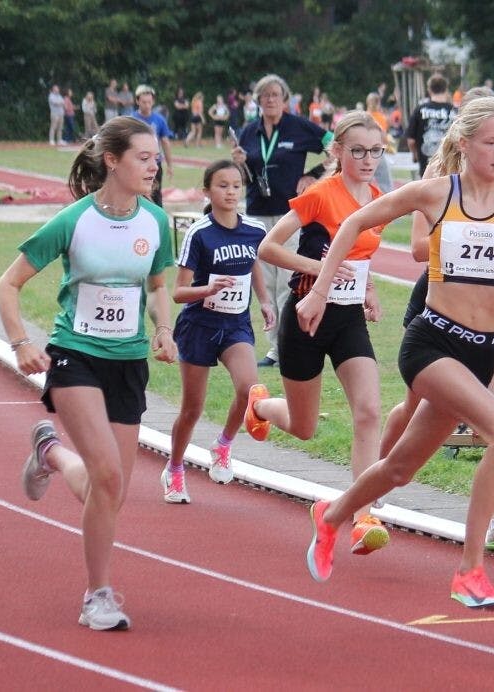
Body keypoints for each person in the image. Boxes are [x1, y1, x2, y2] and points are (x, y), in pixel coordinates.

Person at [296, 96, 494, 609]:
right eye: (491, 142)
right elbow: (354, 224)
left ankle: (331, 515)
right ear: (464, 144)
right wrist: (318, 290)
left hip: (481, 350)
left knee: (400, 468)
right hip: (432, 343)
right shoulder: (436, 193)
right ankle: (469, 572)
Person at [0, 115, 178, 630]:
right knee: (109, 476)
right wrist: (21, 343)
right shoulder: (73, 221)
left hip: (128, 361)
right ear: (112, 161)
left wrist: (163, 329)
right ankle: (98, 596)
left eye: (157, 158)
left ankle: (49, 452)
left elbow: (160, 285)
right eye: (144, 157)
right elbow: (9, 284)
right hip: (75, 354)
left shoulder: (156, 222)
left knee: (110, 491)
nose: (154, 166)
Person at [380, 86, 494, 555]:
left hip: (492, 307)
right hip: (438, 305)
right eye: (490, 137)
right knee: (412, 411)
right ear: (467, 130)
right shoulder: (439, 177)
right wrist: (457, 234)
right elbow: (415, 247)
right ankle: (379, 477)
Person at [246, 112, 392, 554]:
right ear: (337, 152)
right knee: (305, 427)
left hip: (347, 320)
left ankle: (364, 514)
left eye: (376, 151)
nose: (368, 160)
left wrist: (366, 289)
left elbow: (359, 256)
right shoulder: (320, 195)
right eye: (359, 151)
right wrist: (319, 271)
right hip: (307, 316)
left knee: (368, 410)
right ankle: (261, 405)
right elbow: (267, 247)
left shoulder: (378, 198)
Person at [164, 160, 274, 502]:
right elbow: (178, 292)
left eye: (236, 186)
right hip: (199, 325)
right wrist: (207, 290)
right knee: (192, 408)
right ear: (207, 192)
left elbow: (254, 263)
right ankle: (175, 469)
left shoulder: (254, 230)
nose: (230, 192)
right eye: (222, 186)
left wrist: (265, 301)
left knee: (249, 389)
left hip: (235, 325)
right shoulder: (200, 233)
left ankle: (222, 445)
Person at [230, 74, 332, 369]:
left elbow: (334, 145)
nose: (270, 100)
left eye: (276, 94)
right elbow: (248, 173)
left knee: (287, 278)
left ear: (285, 99)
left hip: (290, 211)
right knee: (265, 279)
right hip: (258, 210)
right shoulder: (249, 132)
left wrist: (313, 174)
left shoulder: (299, 127)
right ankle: (274, 347)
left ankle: (289, 342)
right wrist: (239, 163)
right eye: (265, 95)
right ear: (258, 101)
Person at [130, 85, 175, 207]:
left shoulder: (159, 120)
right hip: (136, 163)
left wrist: (170, 165)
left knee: (155, 193)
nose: (147, 105)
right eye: (144, 102)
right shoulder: (131, 120)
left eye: (149, 102)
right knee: (135, 193)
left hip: (154, 163)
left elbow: (165, 142)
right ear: (137, 101)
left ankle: (158, 220)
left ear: (153, 102)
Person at [405, 74, 456, 178]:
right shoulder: (454, 111)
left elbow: (411, 140)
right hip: (450, 167)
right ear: (446, 89)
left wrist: (415, 155)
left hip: (426, 165)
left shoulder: (420, 110)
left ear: (429, 90)